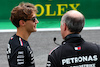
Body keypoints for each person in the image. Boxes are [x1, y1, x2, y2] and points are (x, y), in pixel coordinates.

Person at [7, 2, 39, 67]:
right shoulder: (20, 47)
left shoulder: (13, 39)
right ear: (22, 23)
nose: (37, 21)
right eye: (33, 19)